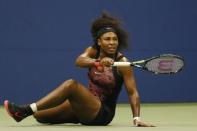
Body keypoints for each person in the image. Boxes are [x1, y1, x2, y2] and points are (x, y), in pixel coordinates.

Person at [4, 12, 154, 127]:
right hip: (86, 104)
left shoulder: (123, 63)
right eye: (107, 39)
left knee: (71, 85)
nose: (112, 42)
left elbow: (133, 92)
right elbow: (79, 61)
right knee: (40, 116)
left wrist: (137, 118)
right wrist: (98, 62)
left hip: (102, 113)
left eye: (114, 39)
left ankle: (23, 111)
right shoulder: (92, 51)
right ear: (99, 42)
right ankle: (76, 114)